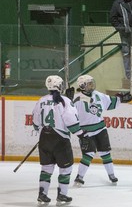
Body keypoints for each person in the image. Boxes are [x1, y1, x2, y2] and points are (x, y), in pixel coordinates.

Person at [32, 75, 85, 206]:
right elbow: (71, 122)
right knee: (66, 168)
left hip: (44, 138)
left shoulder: (41, 100)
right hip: (61, 140)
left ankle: (42, 195)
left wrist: (45, 132)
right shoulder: (65, 101)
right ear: (60, 86)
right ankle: (62, 195)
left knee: (46, 168)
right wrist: (81, 135)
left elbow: (35, 122)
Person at [73, 74, 132, 187]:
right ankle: (79, 177)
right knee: (88, 154)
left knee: (105, 153)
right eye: (89, 84)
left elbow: (110, 102)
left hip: (100, 128)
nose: (92, 86)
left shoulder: (98, 95)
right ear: (82, 86)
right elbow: (67, 111)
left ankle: (111, 175)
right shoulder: (76, 98)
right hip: (85, 131)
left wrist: (120, 99)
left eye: (91, 83)